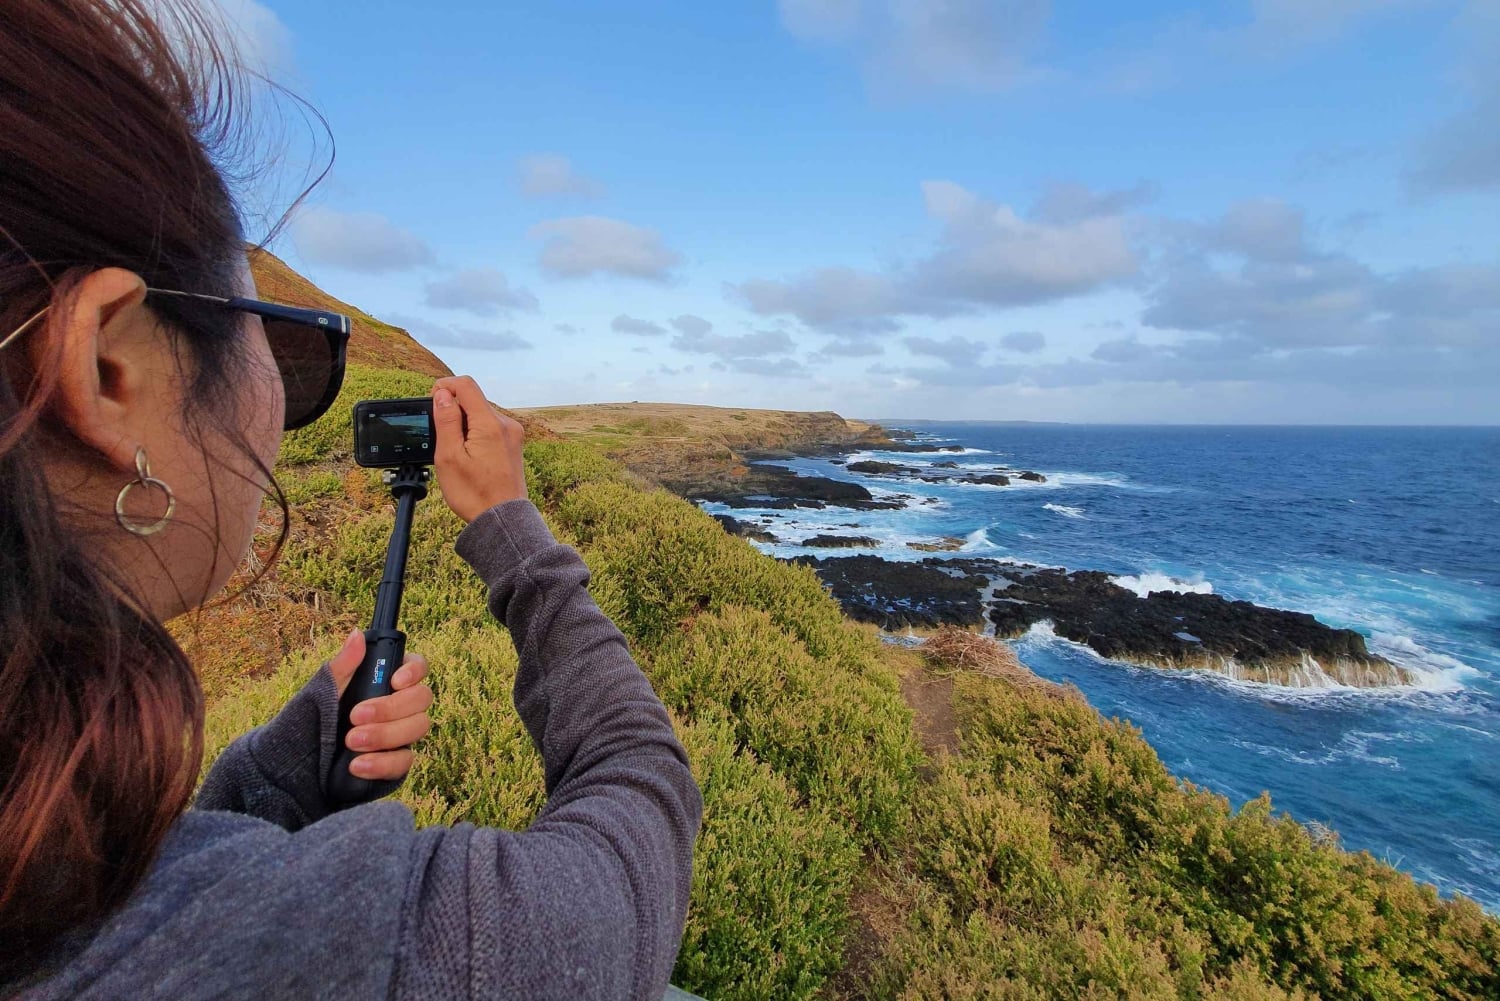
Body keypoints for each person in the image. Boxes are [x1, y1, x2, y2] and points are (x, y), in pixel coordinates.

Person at [0, 2, 703, 998]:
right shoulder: (332, 947)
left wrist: (273, 780)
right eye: (277, 334)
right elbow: (636, 832)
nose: (281, 394)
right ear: (109, 366)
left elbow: (132, 890)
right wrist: (517, 540)